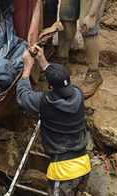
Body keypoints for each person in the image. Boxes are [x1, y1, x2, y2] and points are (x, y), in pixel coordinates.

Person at [17, 45, 90, 196]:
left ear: (50, 88)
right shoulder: (78, 93)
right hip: (83, 166)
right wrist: (42, 60)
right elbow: (59, 80)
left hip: (64, 173)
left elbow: (23, 95)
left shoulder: (46, 103)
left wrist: (27, 67)